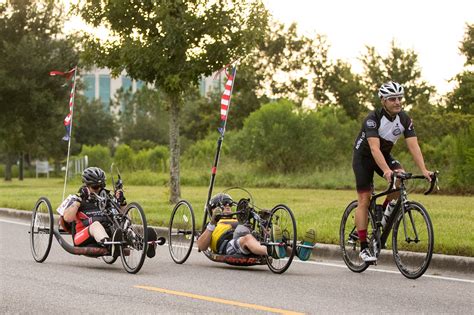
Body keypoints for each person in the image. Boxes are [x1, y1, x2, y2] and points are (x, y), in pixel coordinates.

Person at [352, 81, 432, 262]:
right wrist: (387, 171)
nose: (397, 102)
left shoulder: (404, 118)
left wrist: (424, 170)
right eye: (392, 99)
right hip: (364, 158)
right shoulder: (372, 119)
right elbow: (374, 149)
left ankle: (384, 210)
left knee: (400, 177)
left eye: (399, 98)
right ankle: (364, 247)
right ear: (383, 101)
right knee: (364, 199)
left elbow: (413, 145)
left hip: (384, 154)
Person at [62, 167, 156, 258]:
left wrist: (122, 202)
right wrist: (79, 200)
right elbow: (67, 218)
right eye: (95, 187)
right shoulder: (76, 198)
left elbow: (126, 217)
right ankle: (111, 246)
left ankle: (143, 244)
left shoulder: (107, 197)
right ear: (86, 185)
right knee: (96, 225)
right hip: (83, 235)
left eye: (101, 186)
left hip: (110, 232)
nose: (98, 189)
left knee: (123, 225)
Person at [196, 193, 316, 261]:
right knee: (246, 237)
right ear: (213, 209)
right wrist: (212, 222)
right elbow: (201, 246)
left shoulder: (237, 218)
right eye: (223, 205)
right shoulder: (211, 225)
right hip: (228, 245)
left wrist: (263, 219)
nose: (228, 206)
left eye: (229, 204)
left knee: (265, 232)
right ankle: (271, 250)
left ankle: (299, 251)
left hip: (249, 238)